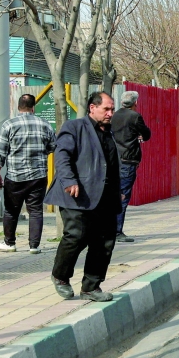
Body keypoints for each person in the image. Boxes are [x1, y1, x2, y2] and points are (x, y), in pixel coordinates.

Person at [45, 92, 122, 302]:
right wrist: (69, 180)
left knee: (104, 242)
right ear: (92, 108)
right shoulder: (74, 127)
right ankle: (60, 276)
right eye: (106, 109)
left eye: (112, 109)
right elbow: (62, 155)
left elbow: (110, 164)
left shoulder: (110, 133)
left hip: (105, 198)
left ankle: (91, 286)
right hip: (77, 195)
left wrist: (118, 190)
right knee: (76, 236)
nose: (110, 113)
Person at [0, 94, 56, 254]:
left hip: (15, 175)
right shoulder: (45, 124)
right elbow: (53, 146)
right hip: (39, 175)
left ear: (18, 106)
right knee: (35, 210)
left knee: (11, 210)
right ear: (33, 107)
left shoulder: (9, 125)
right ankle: (34, 246)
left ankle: (10, 243)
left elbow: (1, 152)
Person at [111, 90, 151, 244]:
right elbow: (146, 134)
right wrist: (139, 136)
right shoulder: (135, 117)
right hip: (127, 160)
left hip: (113, 159)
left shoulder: (113, 116)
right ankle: (117, 231)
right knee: (122, 196)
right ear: (135, 103)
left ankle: (108, 229)